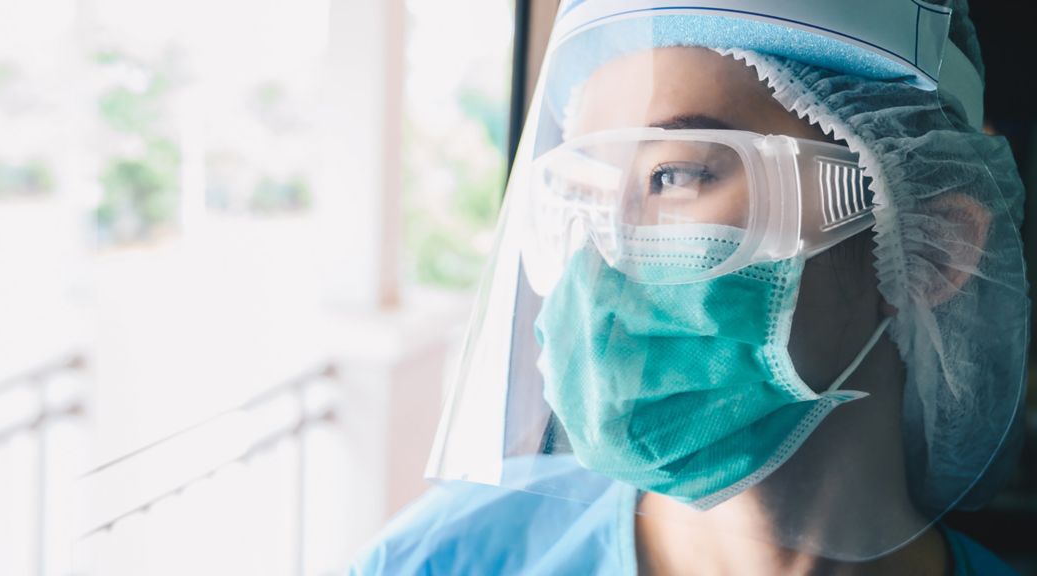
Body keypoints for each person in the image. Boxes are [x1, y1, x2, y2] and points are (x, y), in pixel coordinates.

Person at [352, 1, 1028, 574]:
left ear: (936, 246)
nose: (599, 260)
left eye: (674, 176)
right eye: (585, 195)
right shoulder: (442, 558)